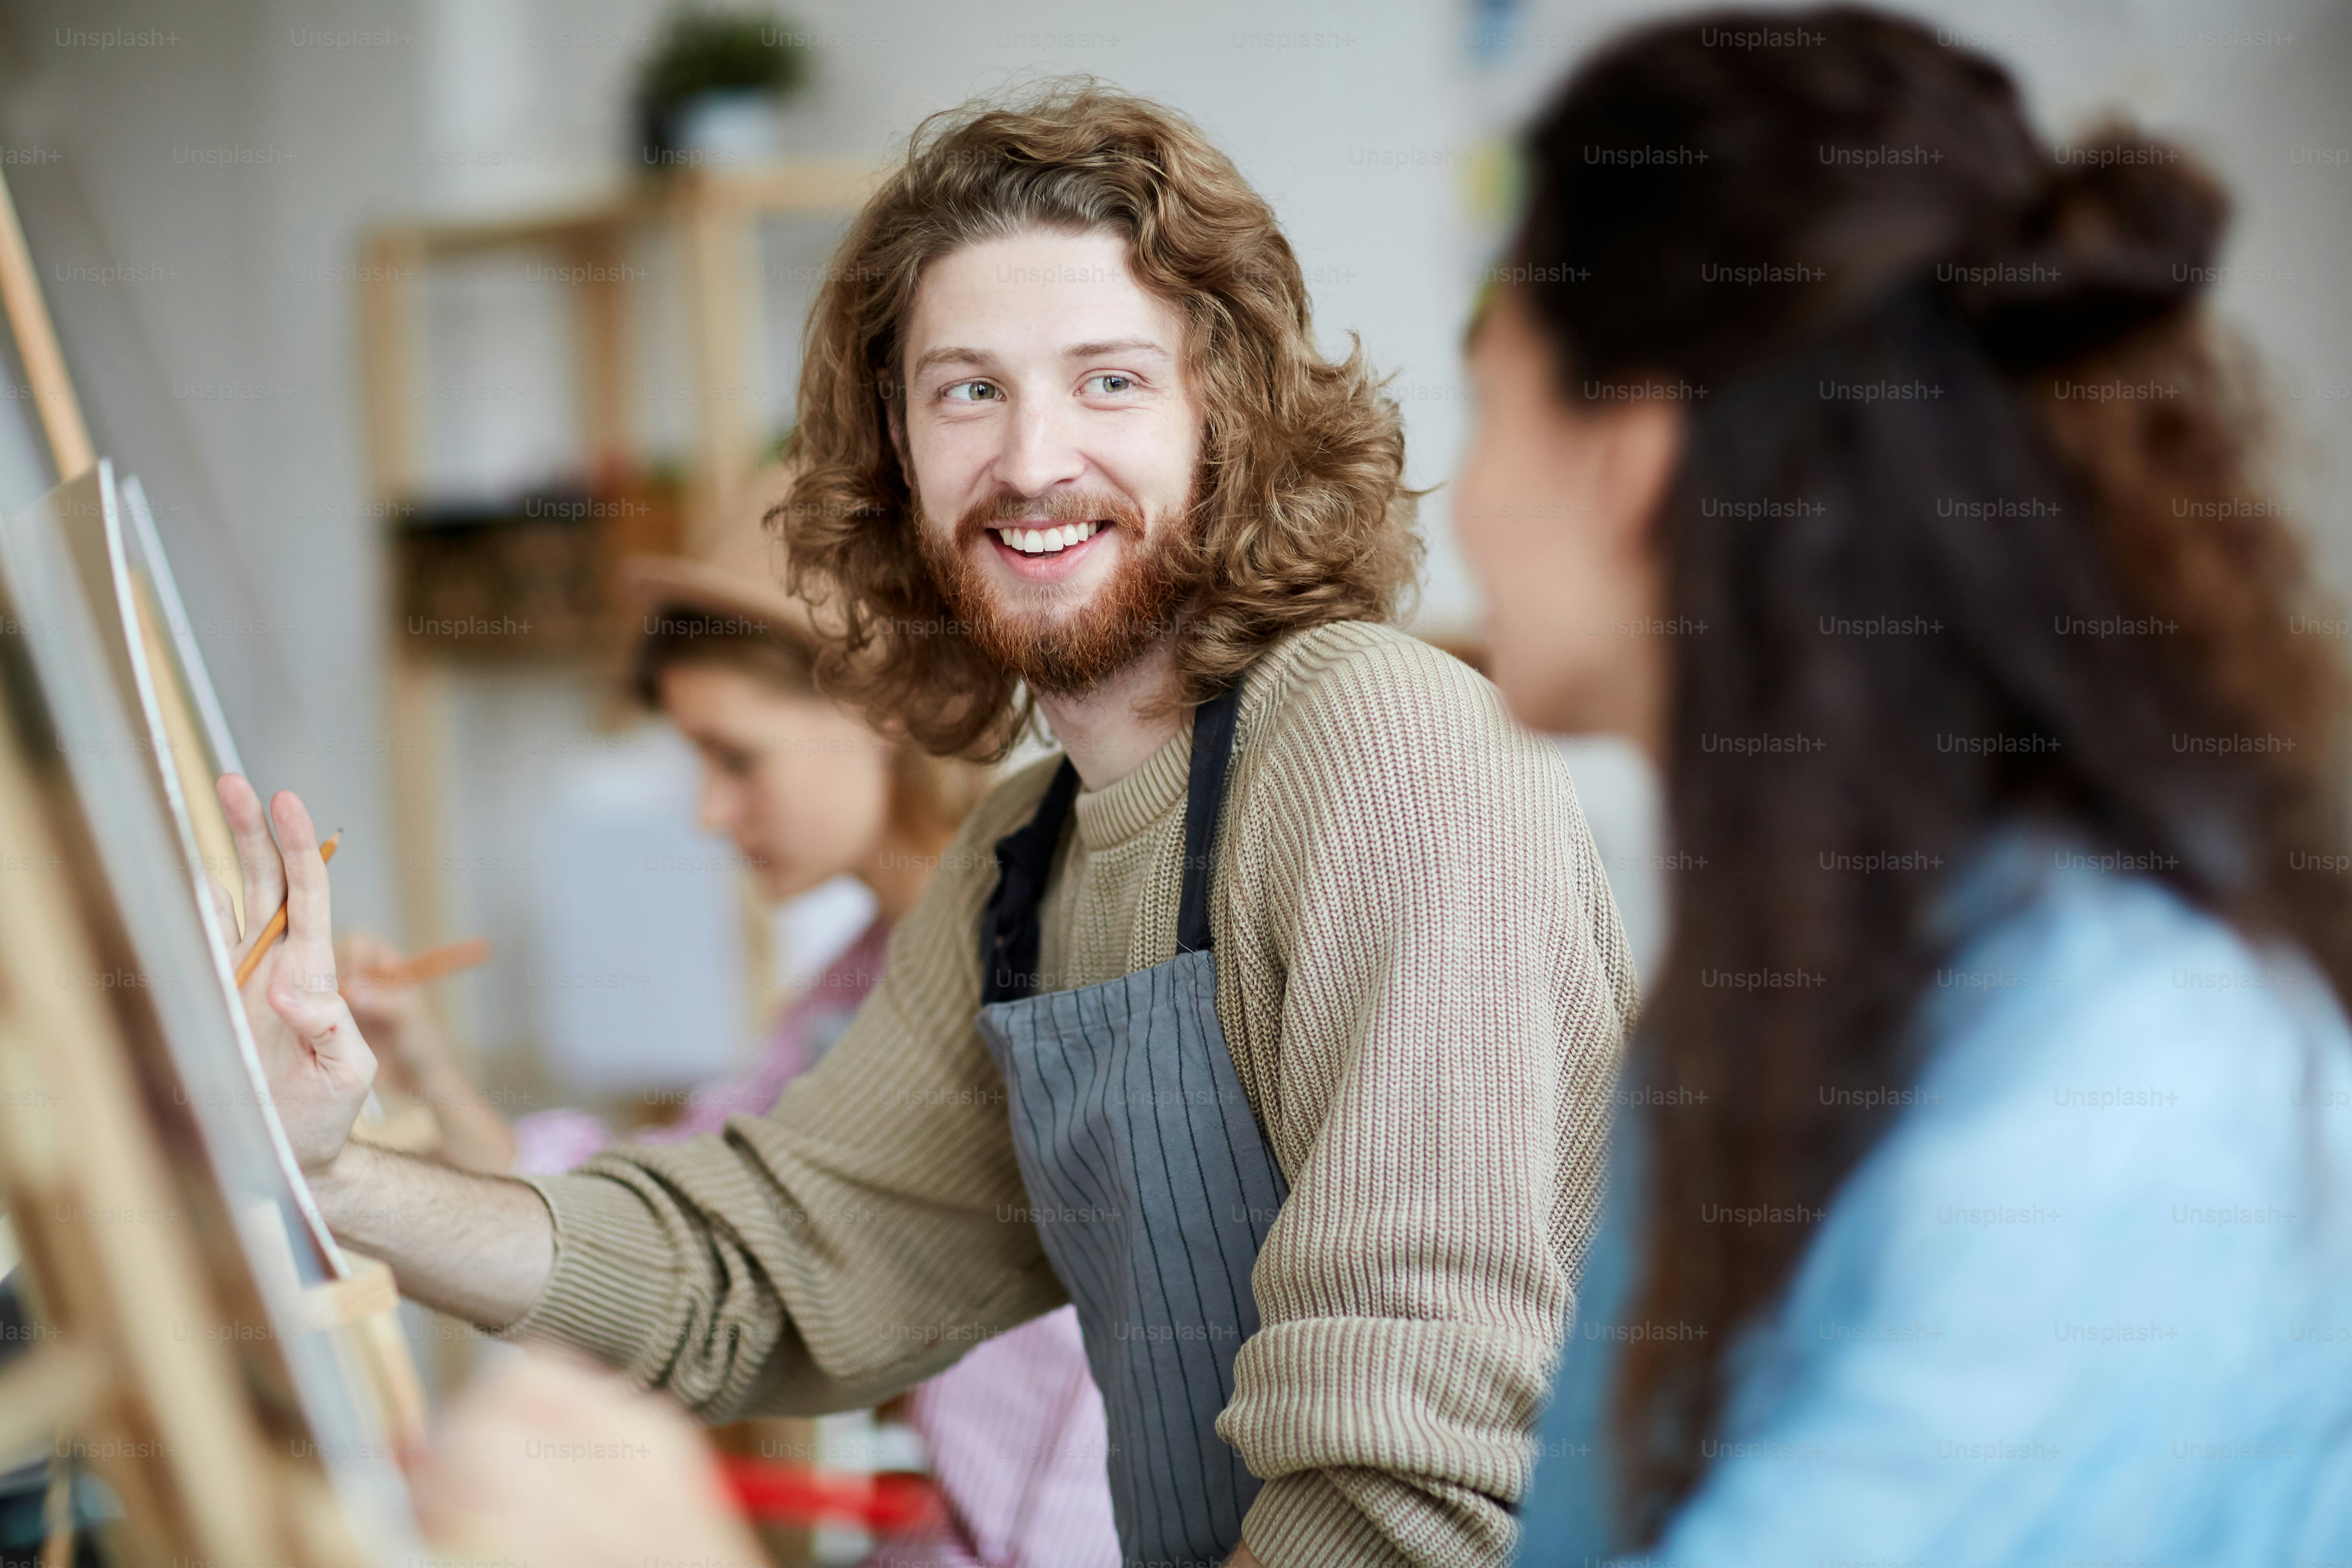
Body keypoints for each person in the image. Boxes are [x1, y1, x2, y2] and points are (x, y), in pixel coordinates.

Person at [229, 82, 1637, 1568]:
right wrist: (333, 1174)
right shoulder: (1024, 866)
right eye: (968, 391)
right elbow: (753, 1268)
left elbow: (1405, 1495)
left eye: (1108, 382)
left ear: (1228, 417)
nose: (1033, 462)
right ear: (898, 454)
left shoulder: (1374, 742)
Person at [1445, 8, 2352, 1563]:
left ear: (1632, 458)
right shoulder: (1782, 982)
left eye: (1486, 412)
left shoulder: (2128, 1081)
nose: (1452, 503)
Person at [341, 490, 1121, 1566]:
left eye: (737, 758)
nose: (709, 814)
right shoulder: (855, 988)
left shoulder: (1062, 955)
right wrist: (423, 1069)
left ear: (882, 709)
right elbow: (669, 1212)